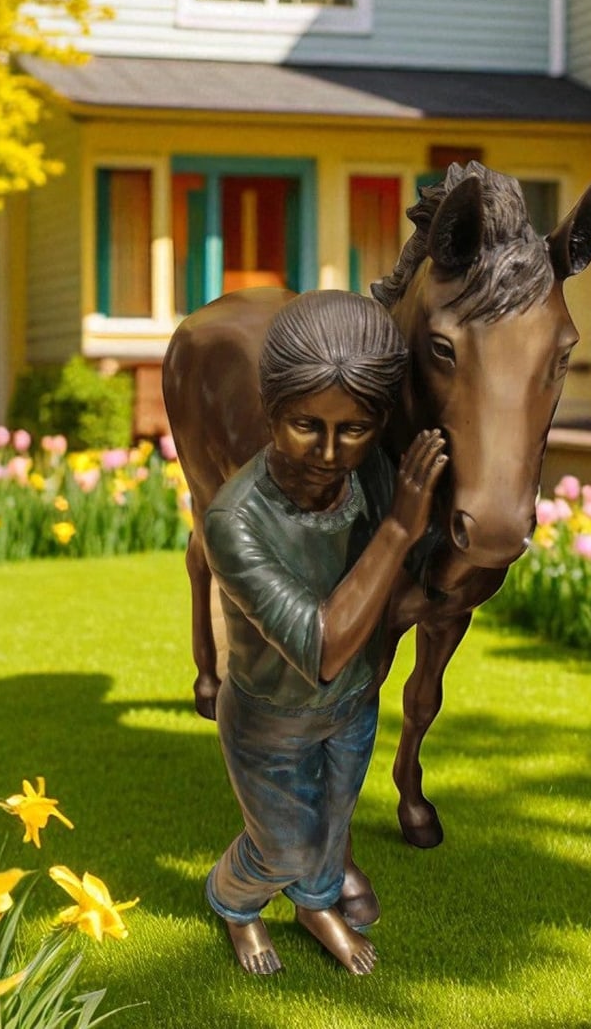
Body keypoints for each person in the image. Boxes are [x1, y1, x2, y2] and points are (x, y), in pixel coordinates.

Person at [201, 289, 446, 976]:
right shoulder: (235, 522)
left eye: (355, 430)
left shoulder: (371, 473)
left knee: (333, 830)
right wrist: (399, 526)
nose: (332, 453)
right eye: (306, 425)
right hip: (270, 719)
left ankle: (316, 906)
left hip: (352, 708)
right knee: (280, 846)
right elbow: (324, 649)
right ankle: (233, 903)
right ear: (271, 411)